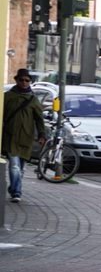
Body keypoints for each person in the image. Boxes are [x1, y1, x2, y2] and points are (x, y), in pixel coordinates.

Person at [2, 68, 45, 203]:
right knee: (14, 165)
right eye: (22, 80)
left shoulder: (33, 100)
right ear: (16, 80)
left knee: (22, 168)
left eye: (27, 80)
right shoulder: (8, 96)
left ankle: (14, 188)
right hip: (11, 136)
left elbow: (39, 119)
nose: (24, 83)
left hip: (26, 138)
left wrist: (42, 134)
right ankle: (16, 192)